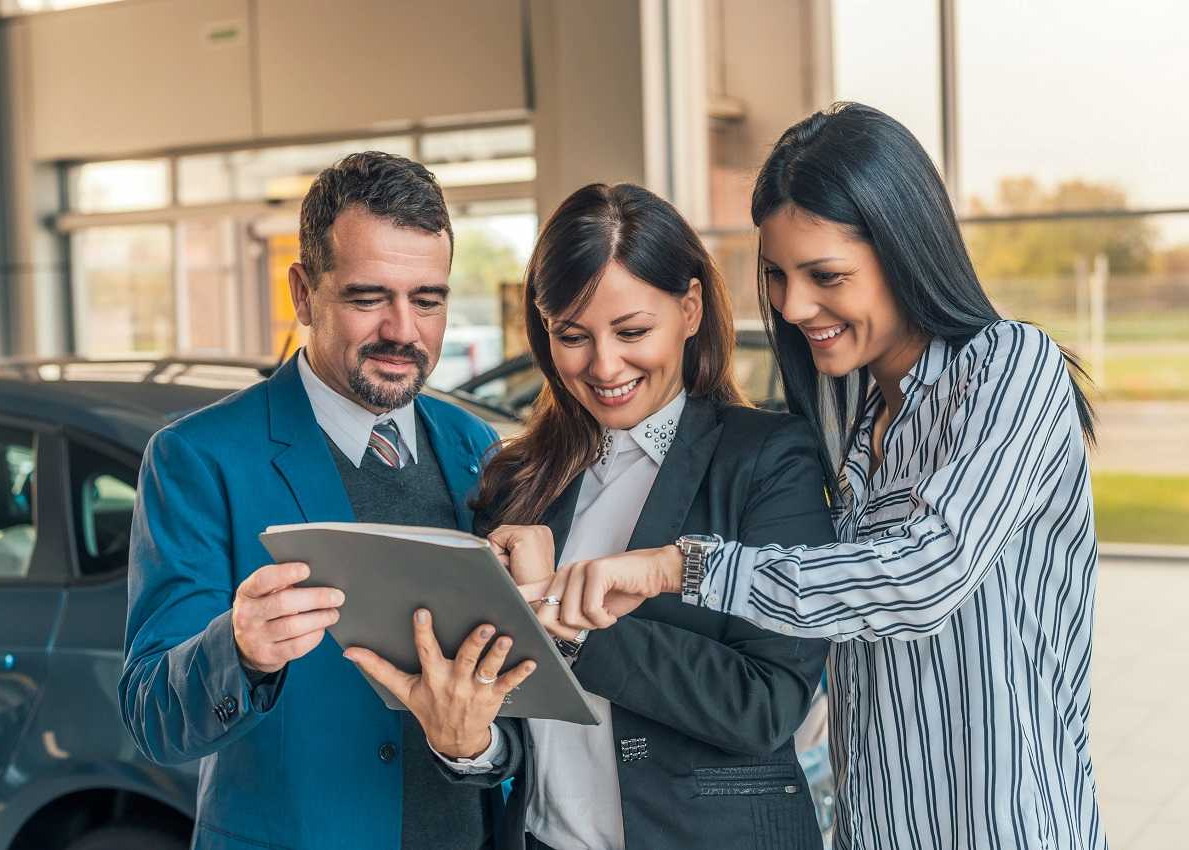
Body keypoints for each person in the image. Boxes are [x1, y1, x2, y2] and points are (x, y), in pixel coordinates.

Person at [507, 104, 1108, 850]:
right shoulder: (846, 415)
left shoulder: (1010, 366)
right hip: (876, 828)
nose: (793, 306)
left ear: (904, 250)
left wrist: (679, 567)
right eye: (778, 276)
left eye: (825, 275)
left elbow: (922, 576)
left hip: (1002, 825)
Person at [351, 182, 834, 850]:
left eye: (632, 331)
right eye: (572, 336)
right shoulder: (518, 480)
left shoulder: (768, 461)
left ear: (690, 307)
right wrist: (469, 743)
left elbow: (766, 705)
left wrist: (565, 622)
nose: (605, 366)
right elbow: (515, 727)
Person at [119, 151, 531, 850]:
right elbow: (153, 716)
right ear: (304, 293)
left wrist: (480, 746)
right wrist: (241, 649)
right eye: (369, 298)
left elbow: (508, 698)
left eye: (427, 299)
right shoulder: (198, 457)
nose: (404, 330)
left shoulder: (473, 445)